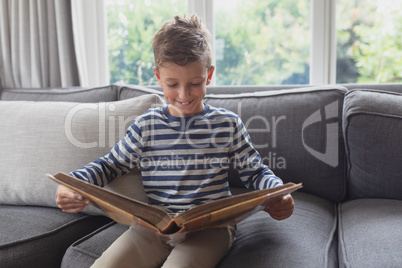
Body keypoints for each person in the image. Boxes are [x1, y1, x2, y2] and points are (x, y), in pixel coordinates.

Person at [56, 14, 294, 268]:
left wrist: (277, 192)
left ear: (209, 75)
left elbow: (255, 172)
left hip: (212, 228)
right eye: (172, 84)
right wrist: (74, 184)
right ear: (158, 77)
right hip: (154, 227)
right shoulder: (146, 126)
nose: (184, 94)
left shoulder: (227, 124)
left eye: (195, 83)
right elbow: (110, 165)